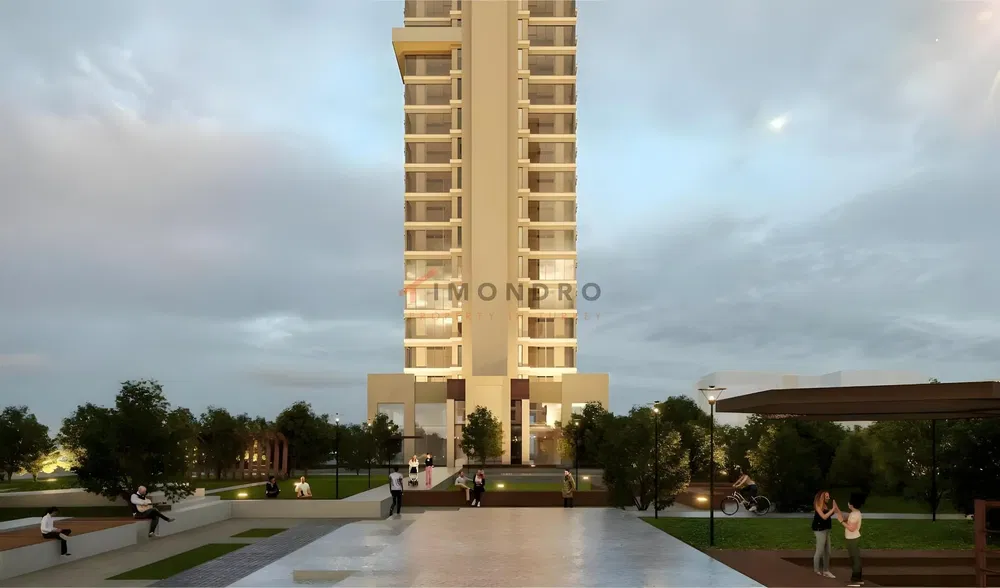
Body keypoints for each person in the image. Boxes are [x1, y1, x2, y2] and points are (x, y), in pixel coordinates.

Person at [838, 492, 865, 587]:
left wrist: (841, 521)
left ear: (852, 504)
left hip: (852, 539)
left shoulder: (854, 515)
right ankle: (858, 579)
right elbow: (850, 521)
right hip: (853, 538)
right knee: (855, 558)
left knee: (855, 558)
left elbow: (851, 528)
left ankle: (856, 580)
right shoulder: (855, 513)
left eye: (849, 502)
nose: (848, 503)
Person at [812, 490, 839, 578]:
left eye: (828, 496)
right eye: (826, 496)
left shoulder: (825, 506)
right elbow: (823, 517)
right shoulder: (817, 505)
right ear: (822, 497)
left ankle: (826, 571)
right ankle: (816, 571)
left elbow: (828, 515)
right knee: (820, 551)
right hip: (819, 530)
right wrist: (832, 510)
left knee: (828, 551)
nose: (828, 498)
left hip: (826, 530)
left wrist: (834, 510)